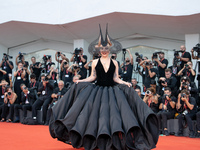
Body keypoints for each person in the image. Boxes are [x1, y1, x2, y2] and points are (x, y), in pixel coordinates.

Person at [49, 25, 159, 150]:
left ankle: (112, 141)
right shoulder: (95, 62)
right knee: (93, 115)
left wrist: (125, 83)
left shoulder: (115, 62)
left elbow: (116, 78)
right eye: (102, 48)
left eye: (106, 48)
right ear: (99, 49)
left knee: (113, 116)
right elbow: (92, 77)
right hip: (97, 91)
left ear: (110, 49)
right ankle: (92, 140)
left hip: (113, 91)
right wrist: (81, 80)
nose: (104, 50)